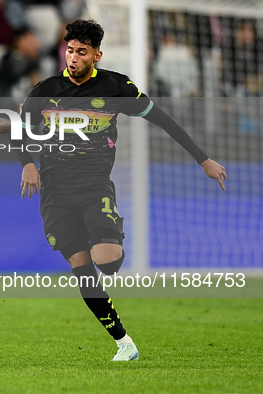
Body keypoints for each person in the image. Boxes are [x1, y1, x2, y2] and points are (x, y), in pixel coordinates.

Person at [18, 19, 227, 361]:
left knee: (108, 262)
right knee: (82, 267)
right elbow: (20, 131)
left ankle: (109, 226)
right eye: (69, 50)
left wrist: (202, 159)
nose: (73, 57)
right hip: (54, 193)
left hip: (94, 186)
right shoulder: (44, 90)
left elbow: (164, 120)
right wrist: (27, 163)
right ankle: (124, 343)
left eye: (81, 52)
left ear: (96, 55)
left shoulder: (117, 87)